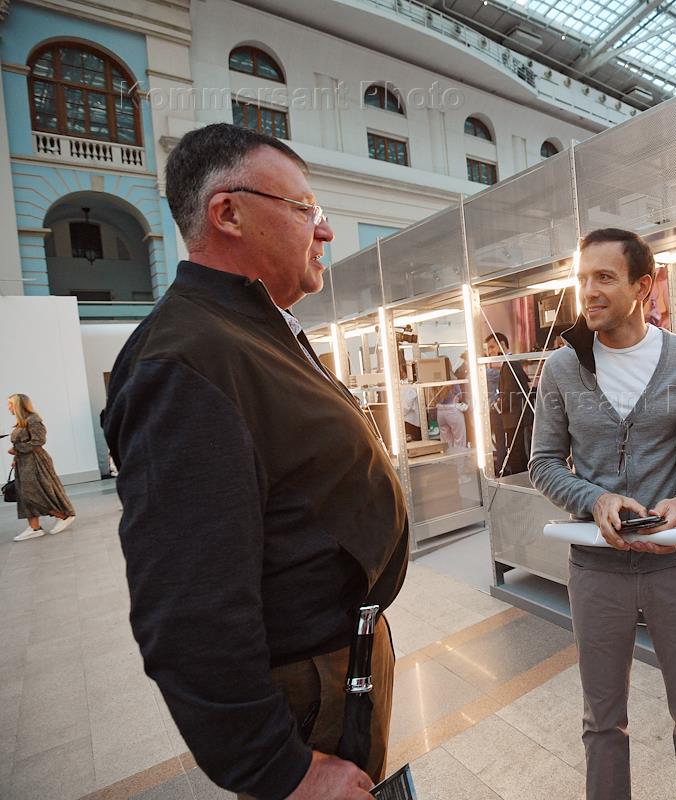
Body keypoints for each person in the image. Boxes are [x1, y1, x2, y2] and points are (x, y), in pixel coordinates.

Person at [102, 123, 410, 800]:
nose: (324, 230)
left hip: (338, 659)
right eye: (304, 209)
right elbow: (188, 606)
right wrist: (282, 769)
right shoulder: (187, 359)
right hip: (303, 688)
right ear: (228, 213)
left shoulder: (246, 330)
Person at [529, 228, 676, 800]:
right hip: (596, 571)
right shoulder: (563, 369)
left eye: (605, 277)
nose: (589, 291)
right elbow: (542, 462)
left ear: (644, 286)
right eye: (582, 278)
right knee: (602, 722)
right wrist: (594, 499)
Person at [7, 393, 76, 541]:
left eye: (10, 404)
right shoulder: (22, 422)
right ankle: (34, 528)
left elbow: (38, 441)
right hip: (24, 462)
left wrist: (17, 449)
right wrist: (16, 457)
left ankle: (63, 516)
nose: (8, 407)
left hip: (35, 461)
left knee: (33, 493)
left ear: (19, 405)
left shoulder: (33, 420)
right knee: (24, 495)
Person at [485, 332, 532, 475]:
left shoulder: (510, 363)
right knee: (517, 453)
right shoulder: (510, 362)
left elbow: (511, 392)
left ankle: (522, 483)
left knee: (518, 455)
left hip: (515, 418)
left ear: (502, 345)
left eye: (492, 347)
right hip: (514, 417)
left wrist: (497, 407)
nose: (489, 352)